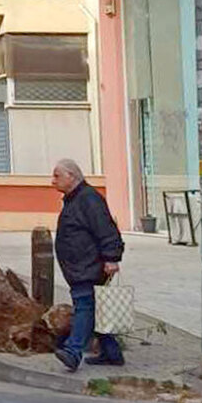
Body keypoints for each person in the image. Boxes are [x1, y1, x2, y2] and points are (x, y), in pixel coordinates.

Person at [51, 158, 125, 372]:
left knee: (85, 307)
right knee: (95, 309)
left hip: (88, 266)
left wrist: (112, 258)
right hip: (79, 266)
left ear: (72, 176)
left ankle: (73, 352)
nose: (52, 181)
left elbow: (107, 230)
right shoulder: (75, 199)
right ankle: (112, 353)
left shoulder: (89, 199)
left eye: (57, 176)